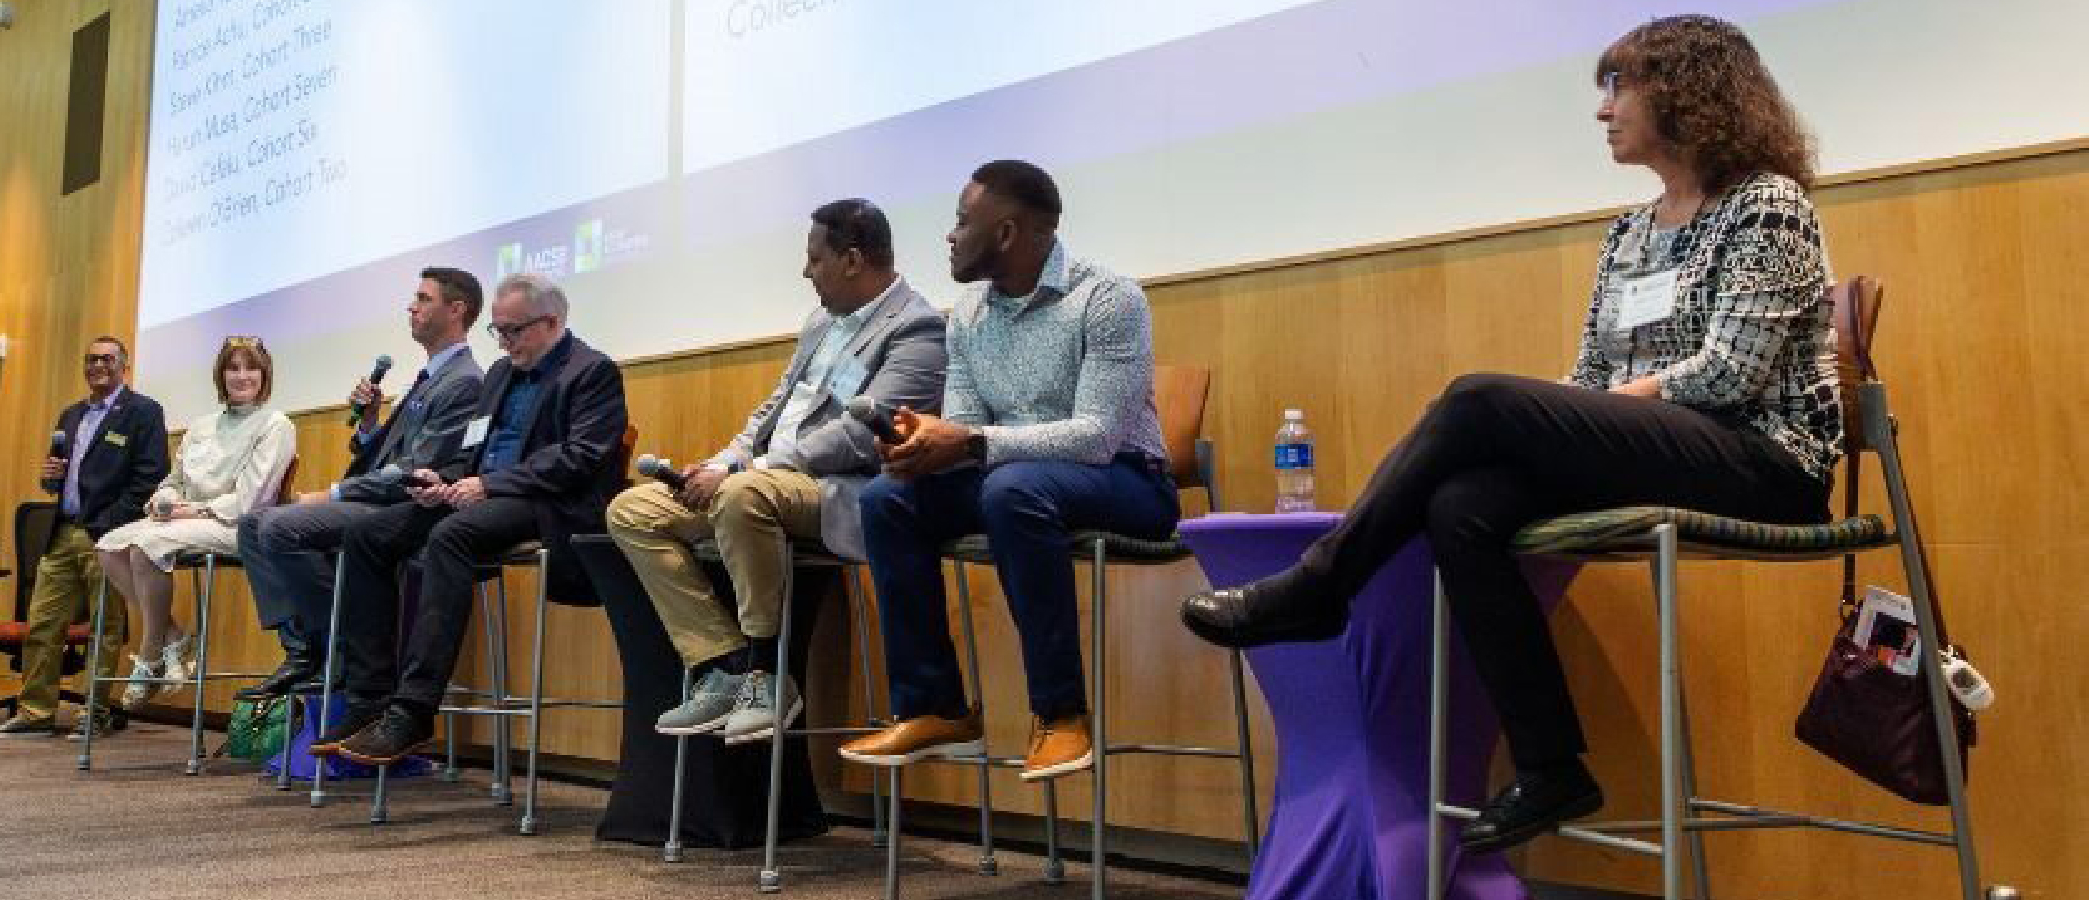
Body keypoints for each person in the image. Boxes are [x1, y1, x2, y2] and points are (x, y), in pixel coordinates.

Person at [1180, 14, 1839, 854]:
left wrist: (1576, 410)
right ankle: (1552, 763)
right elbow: (1591, 374)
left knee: (1481, 399)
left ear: (1687, 93)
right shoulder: (1630, 234)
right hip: (1665, 449)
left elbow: (1730, 374)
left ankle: (1319, 586)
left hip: (1761, 459)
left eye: (1619, 88)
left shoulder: (1768, 204)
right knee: (1464, 503)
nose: (1604, 112)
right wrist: (1568, 412)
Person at [837, 161, 1177, 781]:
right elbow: (965, 431)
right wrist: (924, 447)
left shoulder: (1106, 298)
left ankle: (1061, 714)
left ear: (1007, 235)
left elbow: (1097, 437)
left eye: (962, 222)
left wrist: (968, 440)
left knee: (1012, 487)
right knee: (889, 497)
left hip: (1128, 481)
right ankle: (934, 707)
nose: (949, 235)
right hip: (1011, 480)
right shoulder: (966, 316)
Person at [608, 199, 946, 743]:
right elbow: (771, 413)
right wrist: (719, 463)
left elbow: (861, 436)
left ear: (853, 260)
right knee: (632, 510)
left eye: (814, 258)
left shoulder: (918, 329)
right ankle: (723, 663)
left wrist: (748, 471)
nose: (805, 271)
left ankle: (770, 674)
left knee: (743, 494)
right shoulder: (821, 322)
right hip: (762, 479)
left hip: (838, 489)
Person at [313, 273, 630, 765]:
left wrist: (490, 484)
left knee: (451, 536)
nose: (503, 343)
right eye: (497, 332)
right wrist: (441, 480)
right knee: (367, 535)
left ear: (552, 322)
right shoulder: (501, 375)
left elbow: (580, 458)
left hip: (548, 505)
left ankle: (413, 711)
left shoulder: (591, 372)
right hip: (479, 495)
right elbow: (472, 450)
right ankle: (369, 701)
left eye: (513, 331)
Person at [233, 268, 486, 698]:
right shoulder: (430, 376)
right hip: (378, 501)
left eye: (423, 299)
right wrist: (370, 425)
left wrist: (333, 493)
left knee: (280, 526)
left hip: (402, 509)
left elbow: (412, 472)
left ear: (456, 309)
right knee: (253, 525)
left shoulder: (463, 382)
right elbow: (386, 455)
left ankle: (342, 647)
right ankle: (304, 649)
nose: (412, 307)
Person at [0, 337, 169, 739]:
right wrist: (50, 477)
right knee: (43, 623)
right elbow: (56, 477)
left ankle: (94, 712)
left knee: (105, 626)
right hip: (60, 532)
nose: (98, 365)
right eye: (91, 359)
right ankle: (35, 712)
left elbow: (150, 477)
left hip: (107, 535)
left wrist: (112, 521)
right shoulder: (71, 415)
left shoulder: (143, 412)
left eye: (107, 359)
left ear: (124, 365)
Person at [95, 337, 297, 708]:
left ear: (264, 374)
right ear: (220, 375)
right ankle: (171, 636)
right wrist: (164, 502)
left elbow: (253, 499)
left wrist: (193, 511)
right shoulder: (202, 426)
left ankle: (151, 653)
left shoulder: (275, 423)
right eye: (232, 368)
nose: (241, 376)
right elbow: (174, 483)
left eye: (250, 367)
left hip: (237, 526)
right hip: (184, 521)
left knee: (146, 547)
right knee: (109, 547)